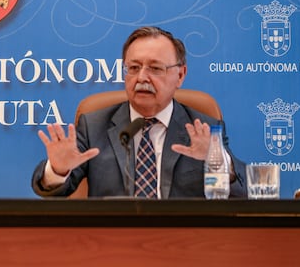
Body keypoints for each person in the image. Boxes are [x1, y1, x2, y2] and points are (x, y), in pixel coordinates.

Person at [32, 26, 247, 198]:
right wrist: (59, 170)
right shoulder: (95, 125)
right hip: (112, 243)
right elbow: (56, 189)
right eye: (133, 68)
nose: (142, 78)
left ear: (180, 75)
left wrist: (216, 160)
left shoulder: (203, 127)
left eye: (155, 68)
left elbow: (243, 190)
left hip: (183, 243)